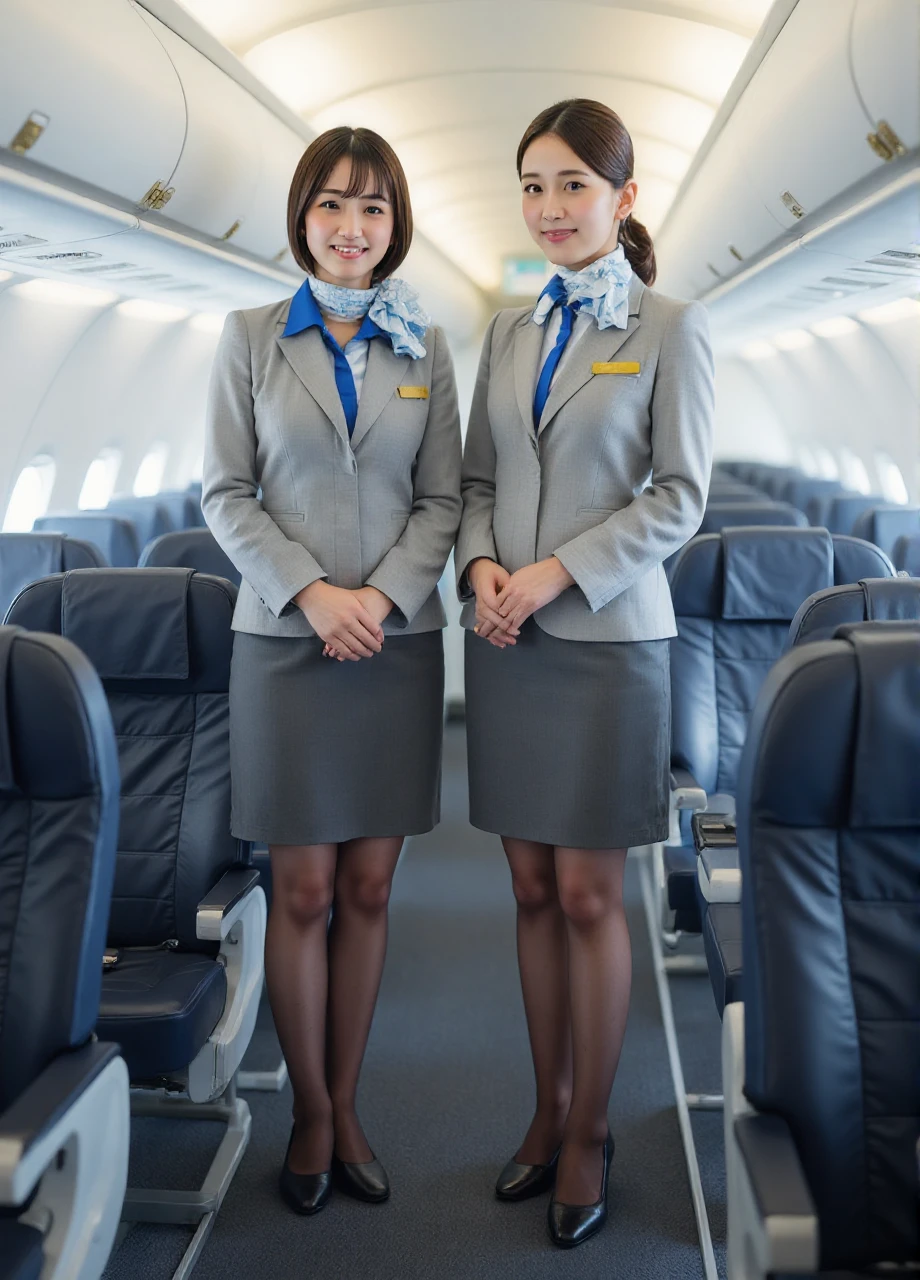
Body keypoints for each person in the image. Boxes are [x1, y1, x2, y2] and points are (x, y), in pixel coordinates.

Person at [456, 98, 714, 1248]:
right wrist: (476, 572)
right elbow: (468, 483)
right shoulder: (506, 335)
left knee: (588, 895)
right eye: (532, 186)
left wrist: (557, 569)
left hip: (608, 643)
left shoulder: (670, 326)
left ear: (622, 196)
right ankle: (546, 1103)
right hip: (505, 639)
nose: (548, 207)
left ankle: (591, 1126)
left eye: (570, 185)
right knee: (524, 890)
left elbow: (679, 494)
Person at [202, 126, 462, 1216]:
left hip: (394, 647)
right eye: (331, 207)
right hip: (285, 647)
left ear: (394, 225)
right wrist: (313, 593)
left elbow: (444, 499)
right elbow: (225, 493)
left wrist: (385, 599)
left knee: (367, 887)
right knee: (302, 887)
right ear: (301, 215)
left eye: (373, 210)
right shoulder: (249, 336)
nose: (352, 230)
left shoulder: (426, 344)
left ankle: (345, 1104)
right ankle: (310, 1110)